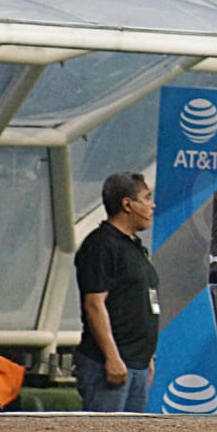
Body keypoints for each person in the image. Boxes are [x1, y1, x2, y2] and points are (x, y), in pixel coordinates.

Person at [73, 172, 159, 412]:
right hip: (109, 365)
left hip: (137, 363)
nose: (152, 206)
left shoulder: (133, 247)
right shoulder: (101, 245)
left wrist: (147, 357)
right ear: (127, 204)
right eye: (146, 198)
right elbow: (94, 304)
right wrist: (112, 357)